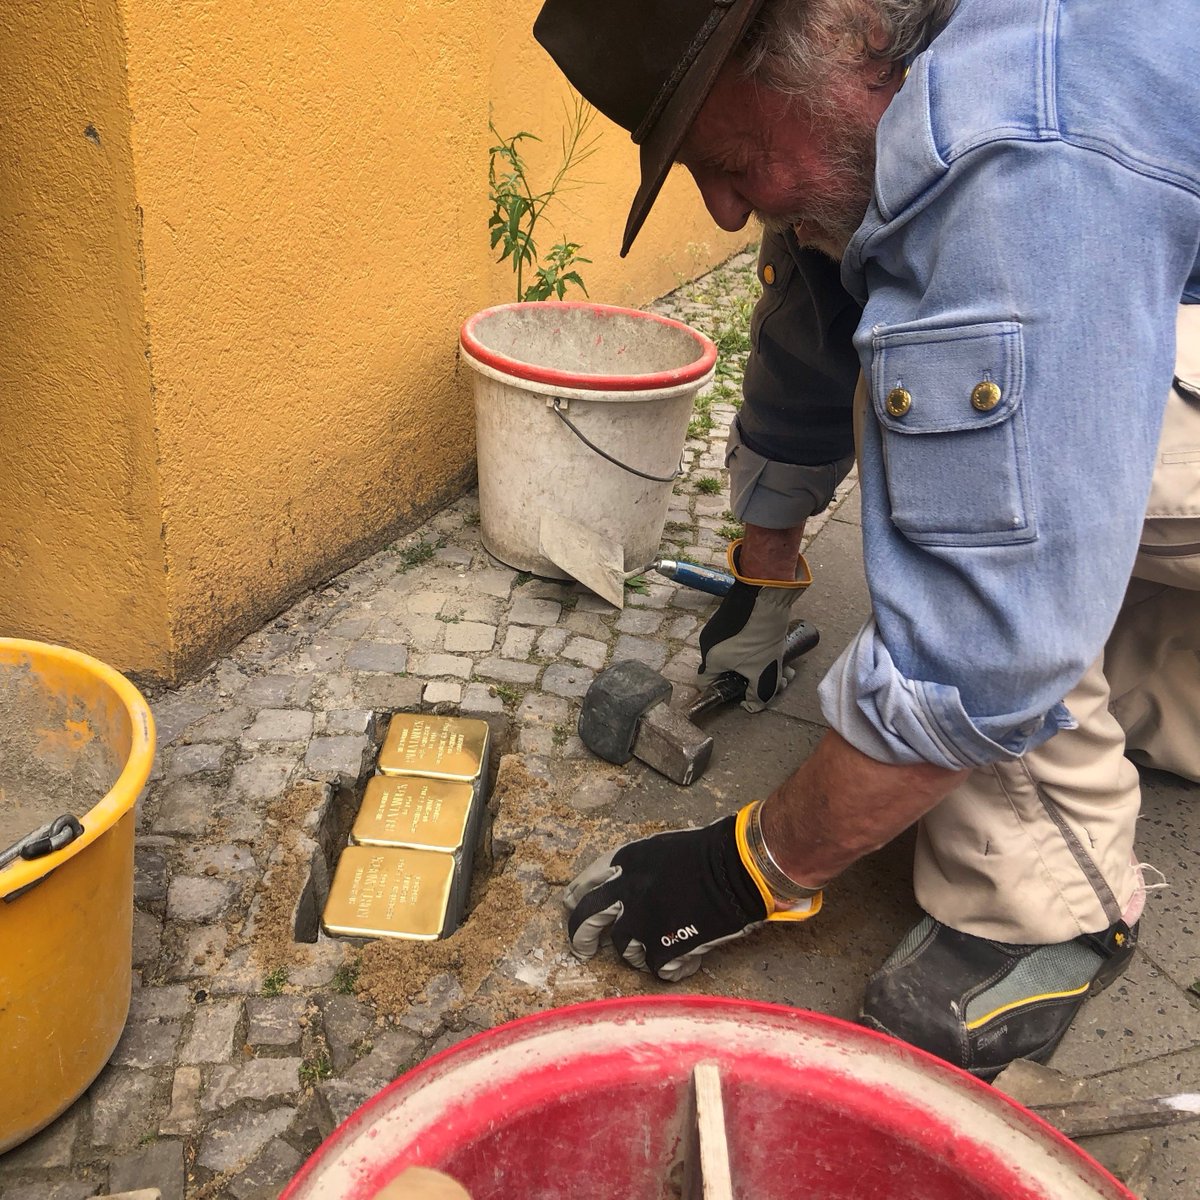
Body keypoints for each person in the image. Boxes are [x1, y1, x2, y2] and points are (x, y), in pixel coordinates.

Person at [532, 0, 1200, 1079]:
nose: (717, 200)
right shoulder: (890, 97)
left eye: (725, 153)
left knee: (942, 434)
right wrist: (767, 564)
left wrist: (747, 867)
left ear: (832, 27)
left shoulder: (1011, 146)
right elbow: (815, 314)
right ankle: (1175, 692)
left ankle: (1043, 905)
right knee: (948, 364)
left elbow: (978, 650)